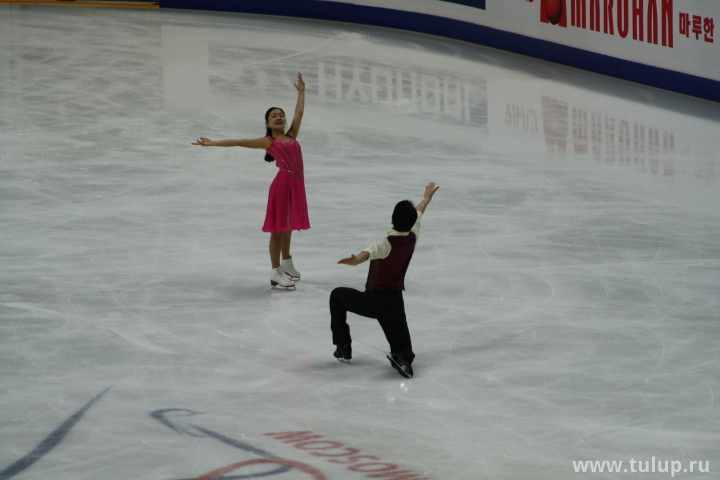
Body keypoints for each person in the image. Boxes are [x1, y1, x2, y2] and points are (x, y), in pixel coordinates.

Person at [192, 73, 310, 288]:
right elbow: (238, 141)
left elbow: (299, 113)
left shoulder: (291, 135)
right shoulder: (267, 141)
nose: (279, 117)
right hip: (282, 187)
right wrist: (212, 143)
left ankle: (287, 262)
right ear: (267, 122)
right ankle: (275, 270)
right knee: (278, 229)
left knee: (289, 225)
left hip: (296, 186)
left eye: (281, 115)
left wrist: (301, 92)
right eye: (274, 116)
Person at [330, 182, 439, 378]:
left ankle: (343, 346)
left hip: (374, 301)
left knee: (337, 296)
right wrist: (426, 199)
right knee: (403, 346)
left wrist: (355, 260)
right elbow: (418, 213)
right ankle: (402, 358)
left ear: (391, 220)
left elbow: (364, 256)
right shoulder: (413, 236)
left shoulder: (384, 244)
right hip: (395, 302)